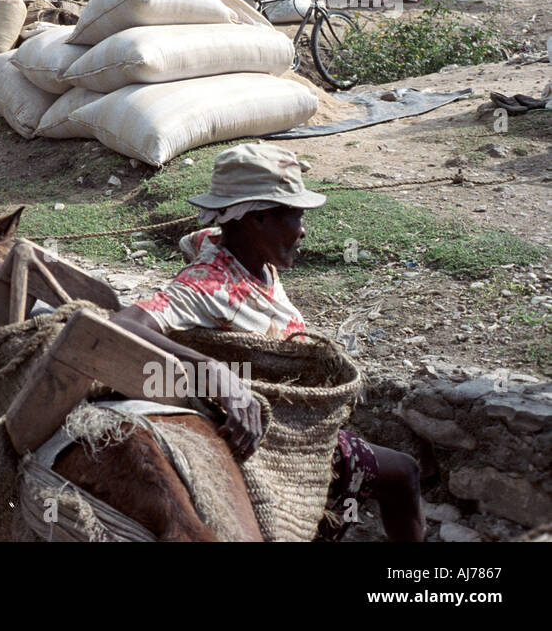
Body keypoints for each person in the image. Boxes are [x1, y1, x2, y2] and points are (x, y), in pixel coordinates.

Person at [115, 143, 425, 541]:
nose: (303, 228)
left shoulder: (251, 259)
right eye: (294, 214)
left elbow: (209, 236)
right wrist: (215, 373)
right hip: (280, 436)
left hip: (296, 418)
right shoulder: (209, 283)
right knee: (404, 473)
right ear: (257, 219)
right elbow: (123, 324)